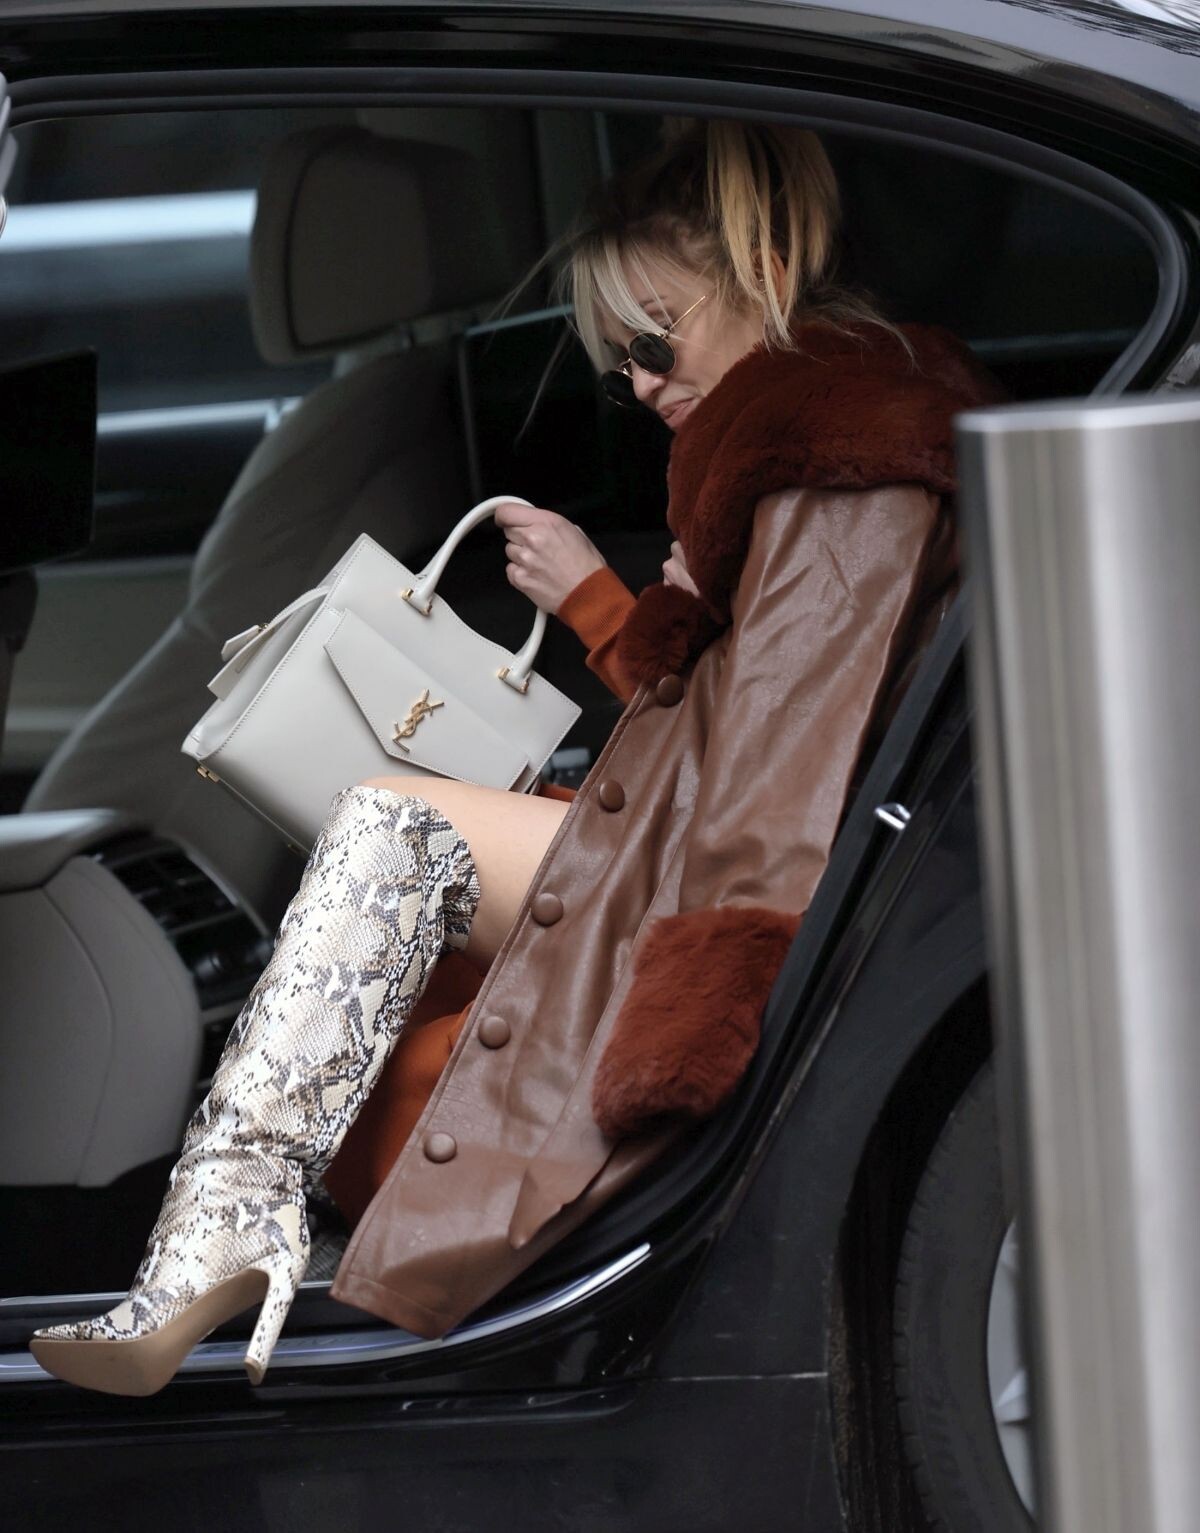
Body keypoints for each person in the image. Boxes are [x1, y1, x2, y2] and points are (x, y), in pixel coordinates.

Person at [31, 118, 1000, 1396]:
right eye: (619, 366)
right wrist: (627, 610)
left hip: (722, 874)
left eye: (655, 342)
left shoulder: (840, 459)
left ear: (763, 271)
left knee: (396, 823)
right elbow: (744, 714)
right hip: (677, 828)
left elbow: (781, 775)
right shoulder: (796, 459)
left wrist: (696, 1013)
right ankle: (231, 1229)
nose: (640, 387)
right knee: (399, 830)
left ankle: (229, 1231)